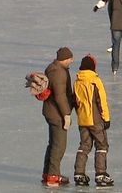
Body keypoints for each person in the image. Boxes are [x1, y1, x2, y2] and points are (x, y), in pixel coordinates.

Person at [72, 55, 113, 187]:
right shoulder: (95, 81)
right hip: (96, 119)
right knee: (101, 145)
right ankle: (101, 174)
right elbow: (101, 101)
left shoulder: (77, 81)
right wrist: (106, 118)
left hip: (83, 120)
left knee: (84, 146)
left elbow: (75, 101)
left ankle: (79, 173)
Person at [40, 47, 75, 187]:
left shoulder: (53, 68)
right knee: (59, 145)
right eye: (70, 59)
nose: (72, 61)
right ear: (64, 59)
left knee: (52, 143)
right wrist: (66, 114)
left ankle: (47, 173)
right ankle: (53, 176)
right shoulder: (59, 73)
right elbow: (60, 96)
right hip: (57, 114)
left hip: (50, 111)